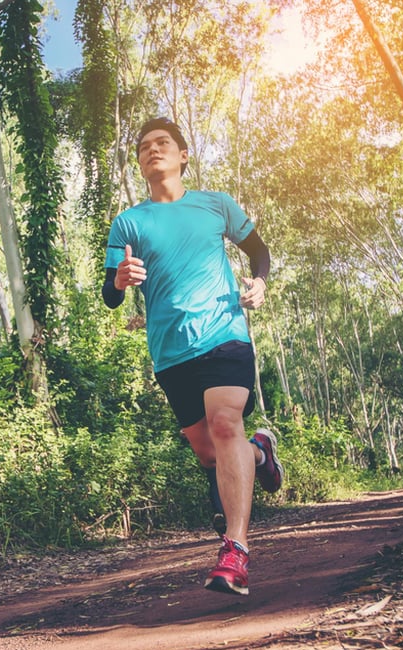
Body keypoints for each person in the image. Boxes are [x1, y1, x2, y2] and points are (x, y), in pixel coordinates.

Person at [101, 117, 284, 596]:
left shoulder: (215, 204)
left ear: (183, 155)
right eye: (144, 146)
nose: (152, 150)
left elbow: (259, 251)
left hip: (224, 334)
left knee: (225, 425)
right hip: (170, 352)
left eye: (163, 143)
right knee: (208, 452)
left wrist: (260, 282)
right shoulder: (129, 223)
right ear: (140, 163)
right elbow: (111, 295)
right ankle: (260, 452)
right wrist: (118, 281)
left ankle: (235, 551)